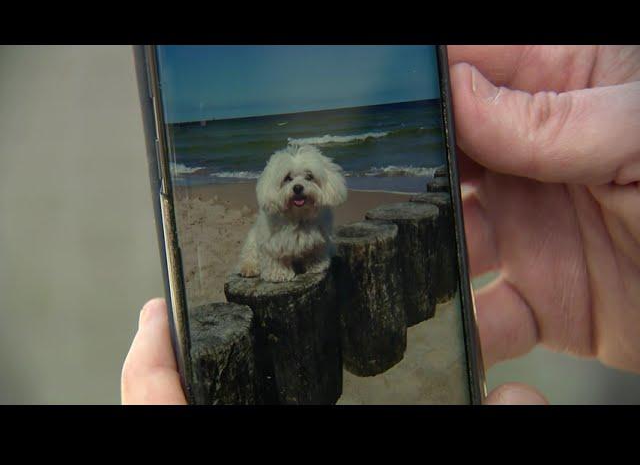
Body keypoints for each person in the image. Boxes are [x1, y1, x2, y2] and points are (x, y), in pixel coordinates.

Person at [121, 45, 640, 405]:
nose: (298, 188)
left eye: (306, 180)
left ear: (320, 186)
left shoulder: (319, 222)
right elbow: (273, 257)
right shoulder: (273, 225)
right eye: (289, 182)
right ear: (275, 192)